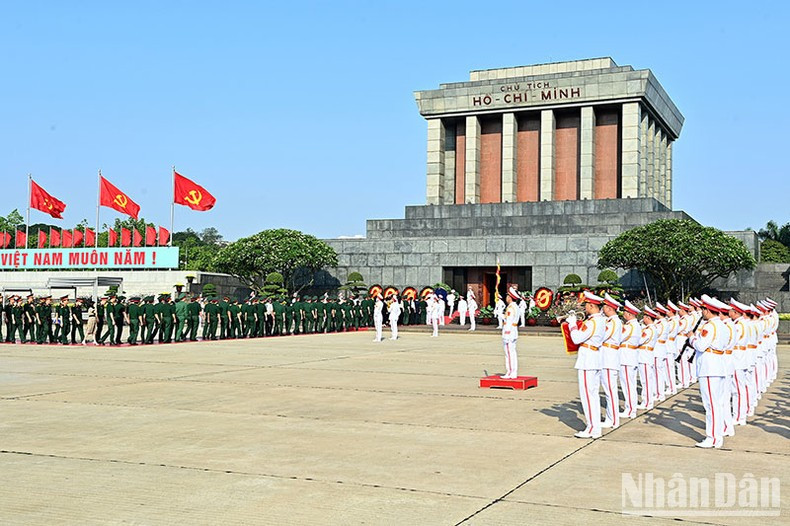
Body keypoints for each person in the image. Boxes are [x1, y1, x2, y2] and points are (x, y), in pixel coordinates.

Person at [686, 295, 729, 448]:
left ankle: (713, 437)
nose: (701, 312)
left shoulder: (710, 326)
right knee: (715, 403)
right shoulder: (722, 325)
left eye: (703, 309)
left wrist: (692, 338)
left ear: (708, 310)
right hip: (717, 365)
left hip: (709, 367)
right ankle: (717, 435)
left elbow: (701, 346)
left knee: (711, 404)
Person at [568, 291, 607, 439]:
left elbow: (577, 338)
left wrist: (572, 324)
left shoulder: (592, 322)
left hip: (587, 361)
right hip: (595, 358)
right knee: (593, 395)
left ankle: (592, 428)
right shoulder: (602, 320)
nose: (585, 308)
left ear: (592, 305)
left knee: (587, 396)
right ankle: (594, 427)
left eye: (587, 306)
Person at [600, 294, 623, 429]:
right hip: (607, 357)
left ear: (609, 308)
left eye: (604, 307)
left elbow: (603, 336)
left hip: (609, 359)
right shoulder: (611, 321)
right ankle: (611, 417)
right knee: (609, 390)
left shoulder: (613, 322)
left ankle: (613, 420)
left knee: (610, 391)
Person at [618, 300, 641, 420]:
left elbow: (619, 338)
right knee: (629, 384)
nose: (623, 314)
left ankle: (630, 409)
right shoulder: (636, 325)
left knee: (627, 385)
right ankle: (631, 408)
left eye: (625, 312)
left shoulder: (630, 326)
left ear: (630, 314)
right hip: (630, 356)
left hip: (626, 357)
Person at [500, 287, 521, 379]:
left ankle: (510, 372)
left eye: (507, 296)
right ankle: (513, 371)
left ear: (510, 297)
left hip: (509, 332)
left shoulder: (510, 308)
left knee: (508, 353)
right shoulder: (515, 307)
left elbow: (509, 320)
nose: (506, 298)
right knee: (512, 352)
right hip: (513, 331)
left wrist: (506, 334)